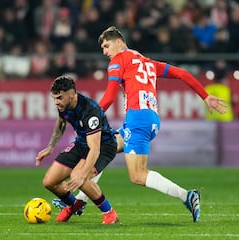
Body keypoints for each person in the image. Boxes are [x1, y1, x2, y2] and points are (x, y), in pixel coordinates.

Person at [97, 26, 227, 222]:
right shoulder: (149, 63)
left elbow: (108, 97)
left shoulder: (118, 60)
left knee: (138, 175)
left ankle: (187, 196)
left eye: (106, 46)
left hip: (138, 119)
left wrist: (91, 117)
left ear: (119, 42)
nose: (105, 52)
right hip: (151, 119)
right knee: (103, 149)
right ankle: (77, 202)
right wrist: (205, 96)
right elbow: (183, 74)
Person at [35, 75, 119, 224]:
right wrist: (50, 147)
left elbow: (95, 148)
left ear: (72, 94)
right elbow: (61, 123)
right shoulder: (63, 106)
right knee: (49, 181)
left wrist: (83, 175)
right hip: (81, 143)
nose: (56, 102)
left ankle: (109, 213)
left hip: (103, 146)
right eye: (54, 98)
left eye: (59, 98)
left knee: (79, 177)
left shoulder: (90, 111)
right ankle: (74, 206)